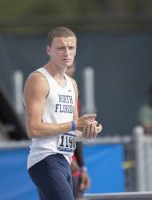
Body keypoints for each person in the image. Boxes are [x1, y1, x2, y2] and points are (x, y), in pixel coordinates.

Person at [23, 26, 102, 200]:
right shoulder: (38, 80)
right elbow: (34, 129)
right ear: (48, 50)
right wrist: (75, 124)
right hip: (44, 159)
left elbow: (73, 132)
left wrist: (88, 132)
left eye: (71, 47)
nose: (66, 53)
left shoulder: (72, 84)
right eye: (60, 48)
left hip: (66, 160)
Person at [65, 62, 90, 199]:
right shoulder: (46, 91)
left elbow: (74, 132)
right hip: (55, 163)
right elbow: (43, 131)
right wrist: (66, 157)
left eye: (70, 66)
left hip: (73, 166)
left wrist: (83, 168)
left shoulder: (74, 93)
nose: (66, 69)